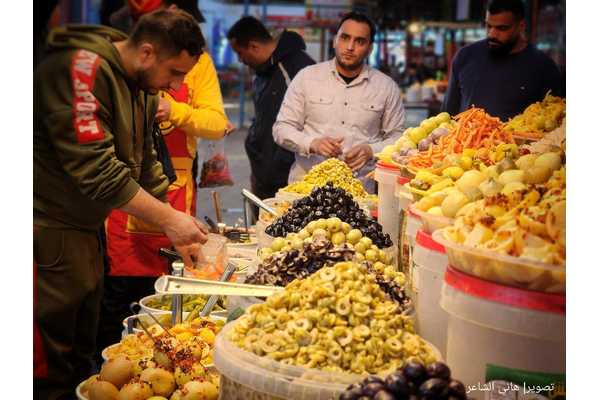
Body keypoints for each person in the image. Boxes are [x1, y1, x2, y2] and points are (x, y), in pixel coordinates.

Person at [33, 9, 208, 399]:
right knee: (52, 355)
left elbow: (144, 160)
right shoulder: (80, 71)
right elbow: (96, 169)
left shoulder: (141, 85)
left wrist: (174, 221)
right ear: (147, 52)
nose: (177, 86)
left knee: (84, 344)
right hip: (50, 228)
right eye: (175, 73)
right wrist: (169, 219)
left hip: (85, 228)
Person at [98, 0, 230, 357]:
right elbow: (103, 171)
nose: (175, 84)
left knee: (165, 299)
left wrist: (178, 111)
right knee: (115, 299)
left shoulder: (191, 60)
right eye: (173, 74)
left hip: (169, 196)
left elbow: (217, 124)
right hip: (117, 205)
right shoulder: (111, 66)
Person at [272, 12, 405, 192]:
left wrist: (371, 150)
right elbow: (281, 128)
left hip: (359, 193)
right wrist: (312, 143)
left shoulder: (386, 87)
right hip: (306, 190)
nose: (350, 47)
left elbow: (399, 138)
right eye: (345, 37)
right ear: (335, 40)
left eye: (359, 41)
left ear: (370, 48)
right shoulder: (306, 78)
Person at [226, 16, 315, 210]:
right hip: (264, 175)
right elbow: (265, 119)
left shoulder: (298, 69)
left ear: (254, 46)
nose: (241, 60)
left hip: (286, 179)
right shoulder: (263, 73)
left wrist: (277, 167)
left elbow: (312, 122)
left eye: (240, 53)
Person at [442, 0, 564, 121]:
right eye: (488, 26)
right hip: (462, 139)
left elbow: (556, 123)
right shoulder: (465, 57)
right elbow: (447, 115)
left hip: (519, 140)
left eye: (502, 28)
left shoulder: (544, 67)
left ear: (521, 26)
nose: (492, 34)